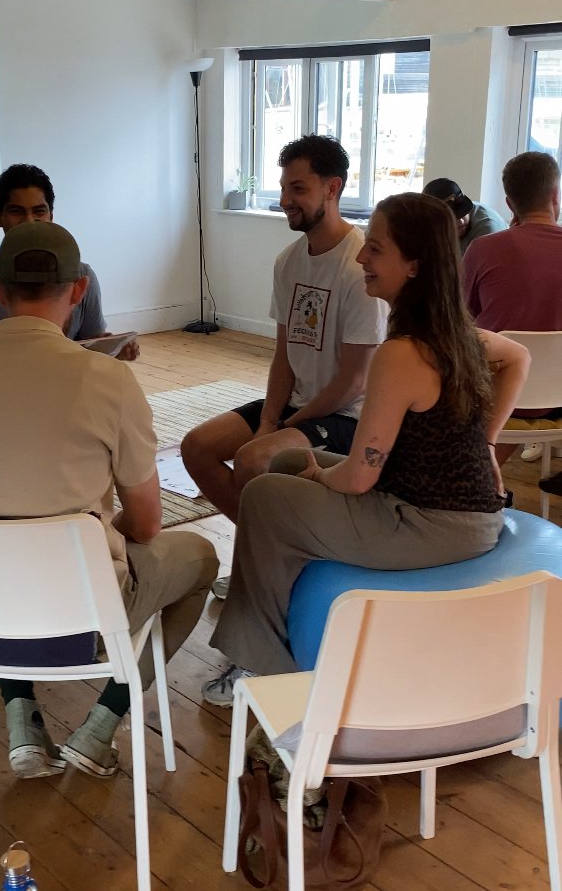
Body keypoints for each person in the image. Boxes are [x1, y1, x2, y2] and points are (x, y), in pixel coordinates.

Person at [0, 220, 217, 779]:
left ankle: (21, 716)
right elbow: (148, 525)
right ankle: (101, 727)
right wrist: (96, 530)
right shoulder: (106, 379)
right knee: (200, 558)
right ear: (79, 290)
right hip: (81, 612)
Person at [201, 193, 529, 704]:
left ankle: (256, 665)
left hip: (432, 525)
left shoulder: (401, 354)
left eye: (374, 250)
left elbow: (358, 479)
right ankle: (278, 597)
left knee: (267, 494)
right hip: (455, 511)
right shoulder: (454, 331)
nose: (360, 260)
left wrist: (316, 479)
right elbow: (520, 359)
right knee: (285, 462)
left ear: (413, 265)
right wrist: (486, 442)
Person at [181, 134, 387, 534]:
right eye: (283, 187)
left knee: (253, 459)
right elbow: (284, 354)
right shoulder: (288, 262)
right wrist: (269, 420)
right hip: (298, 405)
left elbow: (354, 380)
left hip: (347, 417)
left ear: (332, 188)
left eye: (298, 188)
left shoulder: (359, 267)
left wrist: (281, 426)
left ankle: (271, 551)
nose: (285, 199)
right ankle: (270, 546)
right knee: (197, 447)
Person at [0, 163, 138, 359]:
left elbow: (89, 345)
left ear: (51, 216)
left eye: (39, 211)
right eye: (16, 211)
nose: (29, 221)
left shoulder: (82, 275)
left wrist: (111, 349)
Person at [463, 151, 562, 463]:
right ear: (555, 196)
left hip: (498, 397)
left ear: (508, 203)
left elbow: (465, 318)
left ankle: (483, 475)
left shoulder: (482, 249)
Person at [423, 177, 507, 255]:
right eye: (453, 218)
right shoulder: (429, 225)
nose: (461, 222)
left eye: (463, 212)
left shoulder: (487, 230)